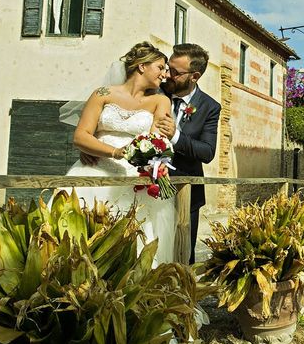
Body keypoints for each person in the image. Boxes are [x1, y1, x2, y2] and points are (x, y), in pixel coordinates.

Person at [64, 41, 176, 265]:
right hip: (95, 171)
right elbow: (81, 135)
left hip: (135, 180)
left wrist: (157, 154)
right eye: (161, 67)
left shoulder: (160, 100)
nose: (165, 74)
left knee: (132, 244)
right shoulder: (103, 94)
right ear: (142, 66)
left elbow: (157, 141)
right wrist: (113, 151)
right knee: (81, 237)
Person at [155, 43, 221, 264]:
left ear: (194, 76)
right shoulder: (154, 92)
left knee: (182, 255)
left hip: (186, 192)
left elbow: (207, 151)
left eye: (175, 72)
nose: (167, 75)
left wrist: (176, 137)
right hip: (148, 190)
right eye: (167, 68)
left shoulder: (210, 107)